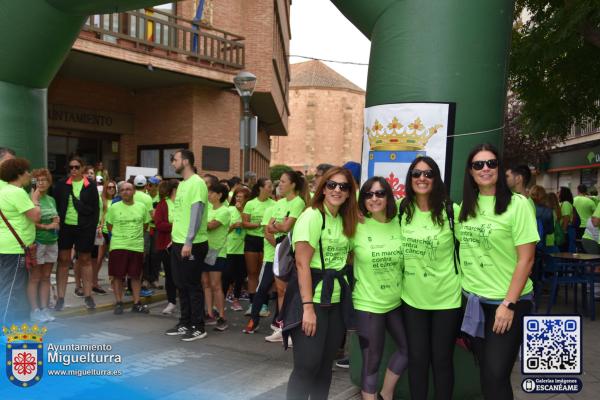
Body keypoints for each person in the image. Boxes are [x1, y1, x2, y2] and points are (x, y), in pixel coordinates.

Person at [458, 144, 538, 400]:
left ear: (500, 168)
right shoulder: (465, 208)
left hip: (507, 303)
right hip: (473, 301)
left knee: (496, 373)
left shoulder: (519, 205)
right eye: (478, 165)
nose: (485, 169)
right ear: (470, 172)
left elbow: (526, 259)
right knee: (486, 371)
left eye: (491, 163)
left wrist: (508, 304)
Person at [284, 166, 359, 400]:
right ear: (323, 188)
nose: (337, 190)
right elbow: (302, 264)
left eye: (343, 187)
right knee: (307, 367)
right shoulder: (313, 216)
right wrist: (307, 309)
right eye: (332, 185)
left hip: (335, 302)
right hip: (312, 301)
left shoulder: (344, 219)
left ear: (349, 193)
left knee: (325, 368)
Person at [398, 157, 461, 400]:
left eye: (428, 173)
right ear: (410, 178)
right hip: (412, 297)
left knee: (442, 360)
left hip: (447, 297)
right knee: (417, 359)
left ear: (436, 178)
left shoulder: (450, 210)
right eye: (416, 173)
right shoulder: (402, 209)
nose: (422, 178)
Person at [353, 176, 407, 400]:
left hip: (395, 303)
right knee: (371, 361)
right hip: (368, 304)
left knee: (409, 350)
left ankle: (386, 394)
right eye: (369, 194)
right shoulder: (356, 226)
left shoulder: (400, 223)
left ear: (388, 197)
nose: (374, 198)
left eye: (380, 193)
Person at [164, 149, 209, 341]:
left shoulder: (197, 183)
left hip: (192, 244)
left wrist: (188, 241)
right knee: (180, 284)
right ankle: (185, 322)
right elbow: (182, 216)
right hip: (178, 242)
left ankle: (198, 326)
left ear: (186, 161)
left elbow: (196, 214)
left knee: (192, 285)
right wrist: (175, 239)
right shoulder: (182, 184)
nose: (172, 163)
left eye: (174, 160)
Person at [54, 156, 99, 311]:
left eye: (76, 167)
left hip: (85, 227)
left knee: (85, 259)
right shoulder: (61, 185)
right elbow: (56, 205)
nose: (73, 170)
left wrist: (92, 227)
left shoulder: (90, 185)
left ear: (82, 168)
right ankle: (60, 298)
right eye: (71, 167)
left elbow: (95, 209)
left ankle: (88, 296)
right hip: (66, 227)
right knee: (63, 260)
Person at [0, 158, 41, 324]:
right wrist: (35, 199)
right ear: (19, 174)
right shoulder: (17, 192)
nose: (28, 174)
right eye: (26, 171)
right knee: (11, 289)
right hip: (15, 248)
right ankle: (4, 327)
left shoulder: (3, 191)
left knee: (5, 286)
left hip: (4, 246)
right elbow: (35, 216)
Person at [105, 181, 151, 314]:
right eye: (123, 190)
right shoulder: (114, 207)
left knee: (136, 276)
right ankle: (119, 302)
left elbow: (145, 225)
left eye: (129, 189)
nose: (126, 192)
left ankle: (136, 303)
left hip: (136, 246)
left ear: (134, 191)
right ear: (120, 192)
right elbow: (109, 226)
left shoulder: (142, 207)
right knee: (118, 276)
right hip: (118, 246)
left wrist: (134, 237)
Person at [28, 168, 59, 323]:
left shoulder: (51, 200)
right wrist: (47, 226)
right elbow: (32, 222)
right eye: (38, 180)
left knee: (46, 277)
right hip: (38, 242)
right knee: (35, 277)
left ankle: (44, 308)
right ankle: (34, 311)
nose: (41, 183)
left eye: (44, 180)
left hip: (52, 242)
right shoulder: (31, 198)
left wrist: (54, 223)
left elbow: (56, 220)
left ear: (49, 182)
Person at [242, 178, 275, 314]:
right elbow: (245, 223)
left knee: (264, 275)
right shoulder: (250, 203)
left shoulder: (274, 204)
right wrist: (259, 224)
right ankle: (252, 304)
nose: (271, 188)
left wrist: (267, 226)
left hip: (266, 241)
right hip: (252, 240)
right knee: (252, 273)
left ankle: (264, 305)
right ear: (261, 188)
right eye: (269, 186)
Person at [203, 183, 231, 331]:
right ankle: (209, 314)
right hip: (204, 250)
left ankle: (221, 316)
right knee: (206, 284)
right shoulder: (207, 209)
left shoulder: (224, 211)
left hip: (217, 251)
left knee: (216, 285)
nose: (209, 195)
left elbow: (211, 226)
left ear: (220, 195)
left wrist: (198, 221)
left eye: (212, 192)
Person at [222, 186, 250, 312]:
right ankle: (221, 300)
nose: (238, 199)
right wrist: (233, 226)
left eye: (241, 197)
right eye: (237, 196)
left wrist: (242, 211)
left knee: (240, 277)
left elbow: (251, 226)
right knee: (227, 275)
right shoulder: (229, 210)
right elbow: (223, 230)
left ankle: (236, 300)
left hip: (243, 248)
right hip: (229, 248)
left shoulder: (247, 210)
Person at [154, 179, 178, 314]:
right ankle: (171, 301)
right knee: (170, 275)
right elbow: (159, 224)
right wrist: (176, 226)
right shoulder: (163, 204)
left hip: (183, 244)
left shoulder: (183, 203)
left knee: (183, 275)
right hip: (166, 246)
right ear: (173, 190)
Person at [94, 180, 117, 295]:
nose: (111, 189)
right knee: (99, 257)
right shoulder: (101, 199)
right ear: (105, 188)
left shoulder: (117, 200)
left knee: (113, 258)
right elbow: (100, 214)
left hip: (114, 231)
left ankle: (113, 282)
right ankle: (94, 279)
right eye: (109, 187)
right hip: (103, 231)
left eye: (113, 187)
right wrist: (99, 226)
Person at [558, 187, 577, 252]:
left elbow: (566, 218)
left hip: (567, 229)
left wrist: (563, 231)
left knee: (567, 250)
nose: (558, 193)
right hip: (568, 229)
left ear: (563, 194)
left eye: (559, 192)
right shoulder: (566, 203)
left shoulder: (565, 203)